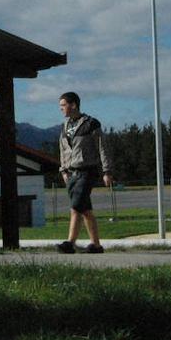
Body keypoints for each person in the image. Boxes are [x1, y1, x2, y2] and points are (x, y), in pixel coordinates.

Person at [55, 91, 112, 253]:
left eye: (63, 106)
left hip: (87, 171)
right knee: (85, 210)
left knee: (76, 207)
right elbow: (63, 149)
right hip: (71, 173)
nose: (61, 110)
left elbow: (103, 148)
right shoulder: (65, 127)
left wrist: (107, 171)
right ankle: (96, 245)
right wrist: (64, 170)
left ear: (73, 105)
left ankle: (70, 243)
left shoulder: (91, 124)